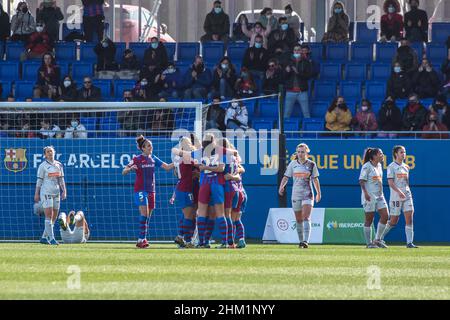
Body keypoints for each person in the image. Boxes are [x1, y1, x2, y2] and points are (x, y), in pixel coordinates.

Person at [122, 135, 174, 248]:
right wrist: (130, 169)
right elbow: (124, 171)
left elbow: (167, 167)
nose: (151, 147)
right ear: (143, 148)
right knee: (144, 214)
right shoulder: (137, 159)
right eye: (149, 146)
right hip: (140, 190)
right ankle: (141, 239)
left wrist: (180, 161)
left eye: (151, 145)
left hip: (152, 191)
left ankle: (142, 238)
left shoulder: (153, 158)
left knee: (147, 217)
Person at [279, 143, 321, 249]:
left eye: (302, 152)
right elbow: (286, 177)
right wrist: (281, 187)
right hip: (296, 194)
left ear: (307, 152)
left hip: (308, 194)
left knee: (306, 217)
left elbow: (315, 179)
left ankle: (306, 241)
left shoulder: (311, 164)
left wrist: (318, 193)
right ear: (296, 153)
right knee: (298, 219)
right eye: (299, 152)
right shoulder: (293, 164)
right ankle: (301, 241)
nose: (300, 154)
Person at [196, 134, 228, 248]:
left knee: (202, 213)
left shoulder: (199, 152)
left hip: (204, 183)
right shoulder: (221, 151)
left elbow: (188, 158)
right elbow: (221, 168)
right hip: (216, 183)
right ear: (214, 141)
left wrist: (204, 167)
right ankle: (225, 242)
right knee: (220, 214)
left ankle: (202, 242)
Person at [382, 146, 418, 248]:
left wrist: (407, 191)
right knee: (393, 221)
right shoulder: (391, 166)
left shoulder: (406, 167)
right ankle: (379, 237)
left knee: (409, 217)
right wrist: (399, 192)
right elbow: (390, 182)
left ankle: (409, 243)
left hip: (407, 195)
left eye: (404, 152)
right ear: (396, 154)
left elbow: (407, 182)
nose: (404, 154)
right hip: (396, 197)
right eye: (401, 152)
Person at [34, 146, 66, 245]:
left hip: (56, 192)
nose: (50, 153)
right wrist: (37, 193)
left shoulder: (59, 165)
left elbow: (61, 179)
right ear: (45, 155)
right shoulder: (43, 166)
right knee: (49, 215)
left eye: (51, 151)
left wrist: (64, 190)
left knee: (54, 216)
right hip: (46, 192)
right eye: (48, 152)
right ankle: (52, 239)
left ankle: (44, 237)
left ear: (54, 152)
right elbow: (39, 181)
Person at [171, 137, 199, 248]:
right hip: (185, 189)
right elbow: (198, 165)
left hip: (184, 188)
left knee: (189, 214)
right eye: (188, 143)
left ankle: (181, 236)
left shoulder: (179, 158)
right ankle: (187, 240)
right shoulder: (186, 157)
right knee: (188, 215)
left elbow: (176, 173)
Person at [359, 148, 389, 249]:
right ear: (374, 156)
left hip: (380, 196)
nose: (382, 155)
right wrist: (366, 194)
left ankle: (377, 239)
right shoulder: (366, 166)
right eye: (380, 153)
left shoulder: (380, 166)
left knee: (385, 215)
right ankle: (369, 243)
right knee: (369, 220)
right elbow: (361, 181)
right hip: (369, 196)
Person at [283, 45, 314, 119]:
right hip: (290, 91)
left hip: (302, 92)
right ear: (293, 51)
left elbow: (308, 76)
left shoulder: (306, 62)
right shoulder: (288, 62)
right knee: (286, 114)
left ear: (301, 51)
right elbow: (283, 77)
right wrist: (287, 72)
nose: (296, 51)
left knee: (306, 114)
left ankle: (307, 130)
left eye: (298, 50)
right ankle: (285, 130)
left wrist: (298, 72)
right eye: (295, 50)